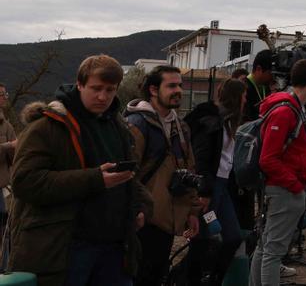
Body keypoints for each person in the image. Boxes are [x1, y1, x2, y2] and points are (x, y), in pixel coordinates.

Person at [9, 55, 151, 286]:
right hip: (67, 248)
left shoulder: (118, 126)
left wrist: (142, 207)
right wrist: (95, 179)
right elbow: (26, 182)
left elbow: (127, 178)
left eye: (110, 90)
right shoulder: (48, 127)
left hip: (115, 249)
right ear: (80, 84)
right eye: (96, 88)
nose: (103, 96)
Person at [126, 65, 201, 286]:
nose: (178, 90)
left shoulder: (180, 126)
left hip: (166, 220)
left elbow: (190, 169)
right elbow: (126, 174)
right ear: (153, 90)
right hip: (143, 220)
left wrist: (193, 211)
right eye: (171, 85)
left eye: (180, 85)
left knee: (156, 275)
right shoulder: (137, 125)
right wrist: (134, 211)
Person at [251, 59, 306, 286]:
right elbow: (268, 158)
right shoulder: (286, 111)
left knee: (265, 247)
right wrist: (295, 185)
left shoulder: (290, 107)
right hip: (284, 188)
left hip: (281, 186)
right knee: (273, 251)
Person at [184, 78, 247, 286]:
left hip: (221, 186)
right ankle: (189, 277)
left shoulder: (226, 122)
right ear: (237, 97)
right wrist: (204, 190)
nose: (246, 100)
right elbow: (202, 157)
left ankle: (212, 278)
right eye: (244, 96)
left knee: (231, 236)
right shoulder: (213, 122)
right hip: (211, 187)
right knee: (203, 239)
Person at [0, 83, 17, 230]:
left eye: (5, 94)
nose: (5, 97)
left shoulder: (6, 125)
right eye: (2, 94)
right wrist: (9, 146)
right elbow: (11, 146)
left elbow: (14, 157)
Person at [243, 50, 275, 123]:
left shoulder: (267, 87)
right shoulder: (243, 89)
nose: (272, 77)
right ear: (258, 69)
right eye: (270, 74)